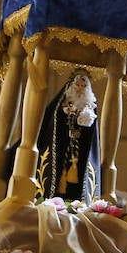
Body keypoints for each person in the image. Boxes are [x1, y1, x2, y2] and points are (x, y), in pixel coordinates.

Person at [34, 69, 101, 202]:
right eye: (78, 86)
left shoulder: (89, 106)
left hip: (81, 148)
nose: (80, 89)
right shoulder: (62, 104)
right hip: (62, 145)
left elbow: (91, 130)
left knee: (80, 175)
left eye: (83, 86)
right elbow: (55, 120)